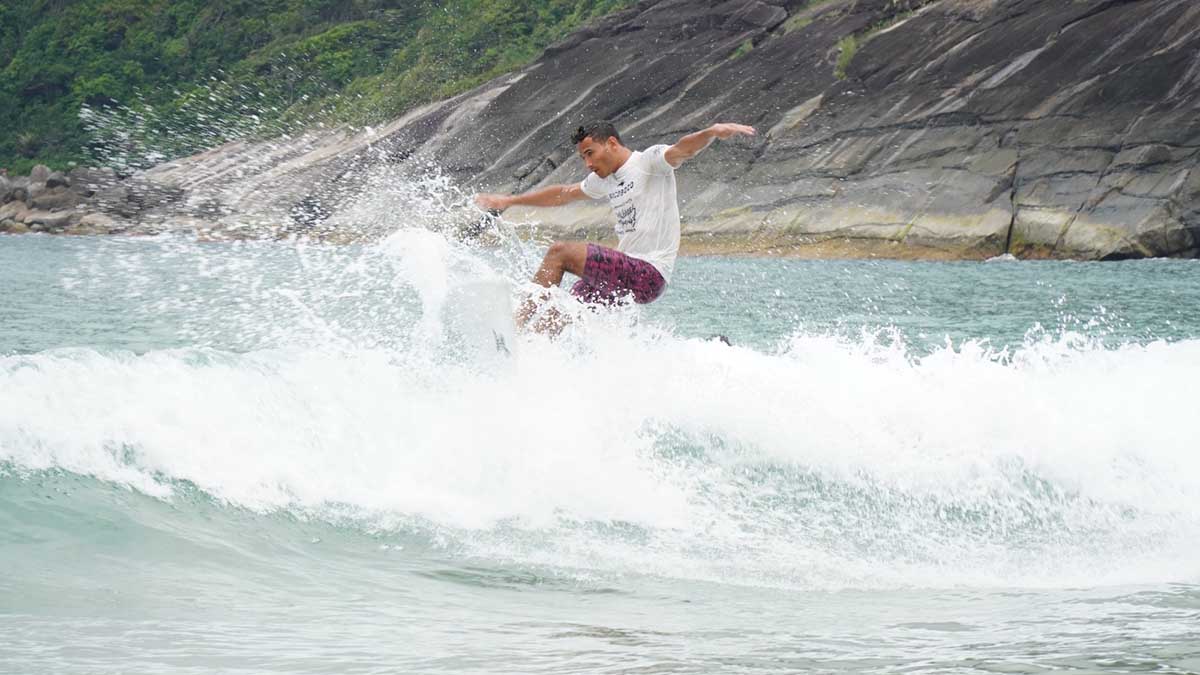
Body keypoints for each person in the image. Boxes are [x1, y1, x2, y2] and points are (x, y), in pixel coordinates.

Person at [475, 120, 755, 329]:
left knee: (560, 252)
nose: (587, 163)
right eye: (583, 157)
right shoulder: (604, 180)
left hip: (649, 273)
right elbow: (563, 194)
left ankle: (514, 326)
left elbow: (682, 150)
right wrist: (510, 201)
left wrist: (711, 132)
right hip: (624, 275)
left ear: (611, 143)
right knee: (563, 309)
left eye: (590, 153)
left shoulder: (648, 162)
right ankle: (531, 351)